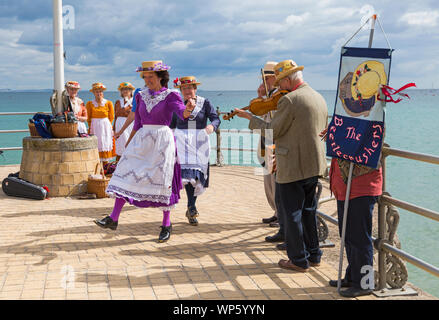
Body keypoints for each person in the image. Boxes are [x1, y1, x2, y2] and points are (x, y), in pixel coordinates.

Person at [235, 60, 328, 272]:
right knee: (309, 211)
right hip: (315, 164)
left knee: (292, 213)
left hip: (293, 165)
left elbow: (272, 131)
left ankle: (297, 259)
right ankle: (314, 255)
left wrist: (250, 118)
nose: (279, 86)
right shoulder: (318, 97)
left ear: (287, 79)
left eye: (280, 81)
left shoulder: (290, 100)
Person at [94, 60, 196, 243]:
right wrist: (128, 146)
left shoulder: (171, 95)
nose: (147, 80)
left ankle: (166, 224)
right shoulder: (140, 96)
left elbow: (182, 114)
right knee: (125, 173)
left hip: (162, 142)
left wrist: (188, 109)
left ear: (160, 77)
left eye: (151, 76)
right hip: (142, 140)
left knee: (163, 181)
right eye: (145, 76)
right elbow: (138, 122)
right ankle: (113, 218)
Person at [321, 126, 382, 297]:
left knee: (359, 238)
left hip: (360, 187)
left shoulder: (373, 121)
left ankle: (364, 283)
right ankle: (353, 275)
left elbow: (367, 149)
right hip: (345, 187)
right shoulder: (351, 118)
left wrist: (338, 137)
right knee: (347, 235)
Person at [170, 76, 221, 226]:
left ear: (195, 89)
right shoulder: (177, 104)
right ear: (180, 90)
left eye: (190, 88)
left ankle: (191, 207)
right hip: (182, 143)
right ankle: (191, 207)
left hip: (199, 142)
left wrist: (212, 127)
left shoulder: (204, 103)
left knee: (197, 176)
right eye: (184, 88)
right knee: (187, 176)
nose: (187, 91)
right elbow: (171, 124)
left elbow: (215, 118)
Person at [86, 83, 115, 164]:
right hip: (94, 126)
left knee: (105, 142)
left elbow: (111, 117)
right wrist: (91, 126)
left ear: (103, 92)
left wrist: (106, 125)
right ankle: (97, 166)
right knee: (97, 143)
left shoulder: (108, 103)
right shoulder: (89, 104)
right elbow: (88, 117)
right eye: (96, 92)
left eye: (100, 91)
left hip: (105, 126)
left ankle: (106, 167)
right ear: (93, 93)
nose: (98, 93)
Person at [114, 82, 135, 160]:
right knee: (120, 146)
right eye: (123, 89)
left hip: (130, 125)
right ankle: (118, 165)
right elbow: (115, 116)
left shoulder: (134, 101)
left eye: (127, 89)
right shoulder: (118, 102)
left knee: (129, 145)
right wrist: (114, 130)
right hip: (119, 125)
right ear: (121, 92)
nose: (125, 91)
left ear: (131, 91)